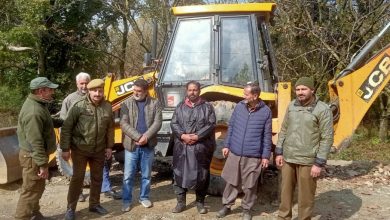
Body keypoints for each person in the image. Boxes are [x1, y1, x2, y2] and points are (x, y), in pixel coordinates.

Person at [275, 77, 334, 220]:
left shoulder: (323, 109)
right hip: (288, 157)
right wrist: (279, 152)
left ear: (312, 90)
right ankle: (283, 217)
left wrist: (319, 163)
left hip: (308, 161)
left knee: (305, 198)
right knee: (285, 194)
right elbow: (284, 129)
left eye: (304, 89)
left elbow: (327, 138)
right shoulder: (291, 106)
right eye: (298, 89)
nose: (300, 92)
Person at [59, 72, 121, 202]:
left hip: (98, 149)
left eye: (100, 91)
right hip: (80, 148)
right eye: (82, 83)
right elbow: (65, 126)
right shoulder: (74, 102)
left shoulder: (107, 106)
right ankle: (72, 207)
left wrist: (109, 146)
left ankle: (95, 204)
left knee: (97, 178)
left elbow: (110, 128)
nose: (97, 93)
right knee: (77, 178)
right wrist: (65, 148)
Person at [216, 83, 272, 220]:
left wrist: (265, 156)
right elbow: (232, 126)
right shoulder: (240, 107)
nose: (243, 96)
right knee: (231, 181)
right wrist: (226, 145)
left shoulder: (265, 112)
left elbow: (267, 135)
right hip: (235, 152)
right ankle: (227, 206)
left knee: (250, 185)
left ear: (255, 95)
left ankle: (247, 209)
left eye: (246, 94)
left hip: (253, 155)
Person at [15, 77, 62, 219]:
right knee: (30, 190)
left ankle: (35, 214)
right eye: (50, 89)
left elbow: (47, 121)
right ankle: (22, 217)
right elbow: (35, 142)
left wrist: (63, 122)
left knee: (37, 188)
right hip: (33, 158)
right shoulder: (34, 111)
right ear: (41, 91)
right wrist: (43, 165)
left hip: (34, 156)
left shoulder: (39, 105)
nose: (52, 92)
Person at [170, 80, 216, 214]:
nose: (192, 92)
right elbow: (174, 123)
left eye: (195, 90)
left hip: (200, 147)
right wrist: (183, 135)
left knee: (201, 175)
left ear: (199, 91)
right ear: (186, 91)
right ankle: (180, 203)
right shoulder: (180, 106)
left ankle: (200, 202)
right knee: (179, 173)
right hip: (182, 146)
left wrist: (197, 136)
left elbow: (211, 124)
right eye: (190, 90)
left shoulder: (207, 107)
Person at [120, 79, 162, 212]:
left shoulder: (155, 103)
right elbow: (123, 124)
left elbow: (157, 122)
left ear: (146, 92)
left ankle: (144, 197)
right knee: (128, 175)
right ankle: (126, 201)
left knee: (146, 175)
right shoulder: (126, 103)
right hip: (131, 146)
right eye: (134, 90)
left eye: (139, 91)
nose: (136, 93)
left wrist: (146, 137)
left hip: (148, 146)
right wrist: (138, 137)